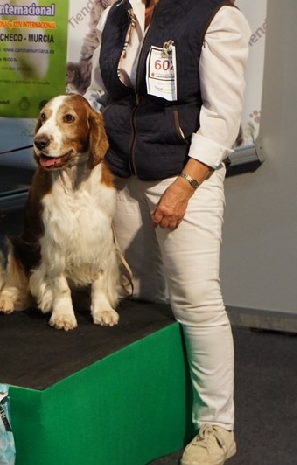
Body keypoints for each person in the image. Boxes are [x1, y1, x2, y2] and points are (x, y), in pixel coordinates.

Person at [84, 1, 250, 464]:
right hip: (120, 173)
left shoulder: (215, 16)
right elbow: (102, 94)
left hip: (184, 175)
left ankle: (217, 428)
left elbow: (222, 115)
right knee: (133, 294)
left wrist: (185, 185)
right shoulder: (118, 12)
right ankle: (151, 408)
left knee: (196, 300)